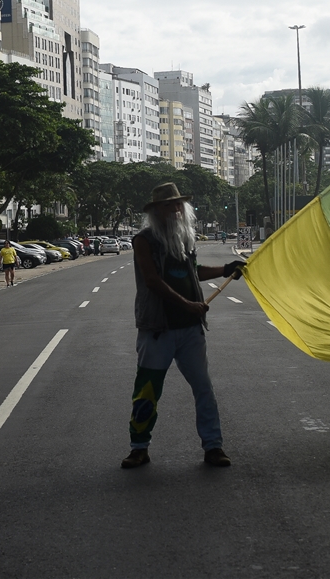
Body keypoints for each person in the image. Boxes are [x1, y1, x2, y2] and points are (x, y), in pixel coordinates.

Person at [123, 182, 247, 470]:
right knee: (148, 390)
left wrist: (226, 269)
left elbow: (193, 272)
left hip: (190, 330)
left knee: (204, 388)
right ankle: (139, 448)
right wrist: (187, 305)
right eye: (169, 205)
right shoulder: (144, 240)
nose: (176, 209)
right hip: (157, 329)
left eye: (178, 204)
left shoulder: (185, 240)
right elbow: (153, 281)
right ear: (156, 211)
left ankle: (213, 446)